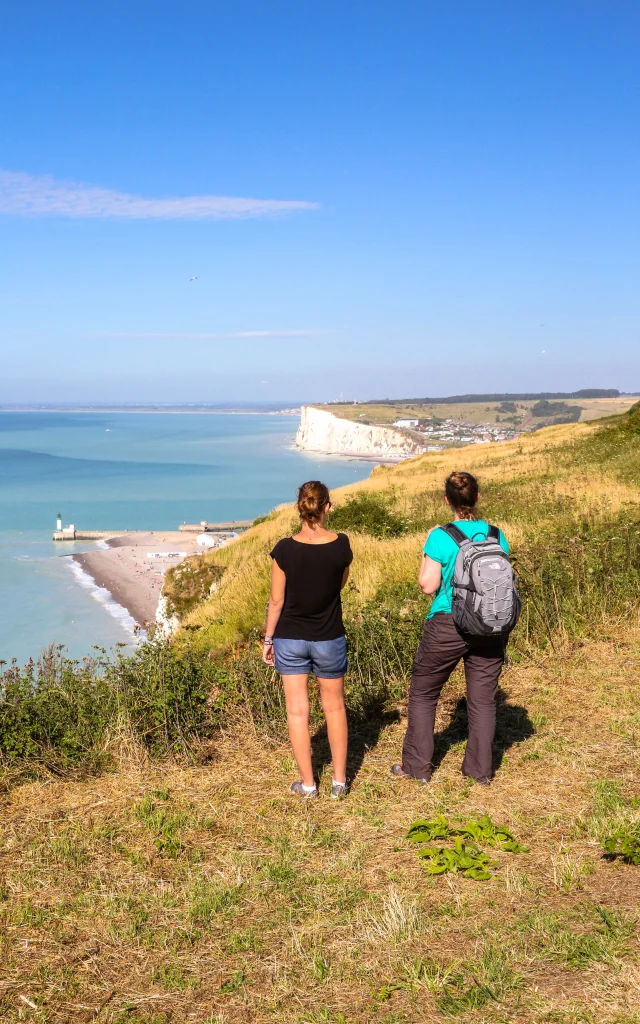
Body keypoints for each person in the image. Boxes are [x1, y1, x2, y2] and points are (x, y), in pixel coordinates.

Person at [392, 471, 509, 786]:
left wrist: (425, 550)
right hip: (490, 623)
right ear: (478, 497)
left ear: (448, 500)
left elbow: (427, 586)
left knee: (424, 692)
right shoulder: (497, 534)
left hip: (449, 622)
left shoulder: (440, 536)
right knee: (483, 699)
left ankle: (417, 768)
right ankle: (479, 772)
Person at [263, 481, 353, 799]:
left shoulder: (284, 550)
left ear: (299, 508)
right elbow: (339, 584)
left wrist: (268, 639)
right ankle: (339, 783)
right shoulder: (341, 546)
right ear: (326, 507)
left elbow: (276, 601)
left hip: (289, 636)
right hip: (329, 636)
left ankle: (308, 785)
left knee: (297, 712)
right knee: (334, 708)